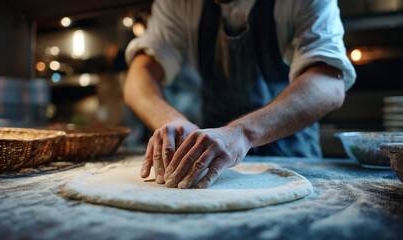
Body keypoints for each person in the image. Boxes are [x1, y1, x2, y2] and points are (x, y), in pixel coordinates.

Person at [124, 0, 356, 189]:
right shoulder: (178, 3)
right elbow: (140, 74)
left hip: (292, 158)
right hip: (213, 165)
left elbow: (328, 82)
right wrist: (169, 120)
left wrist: (243, 132)